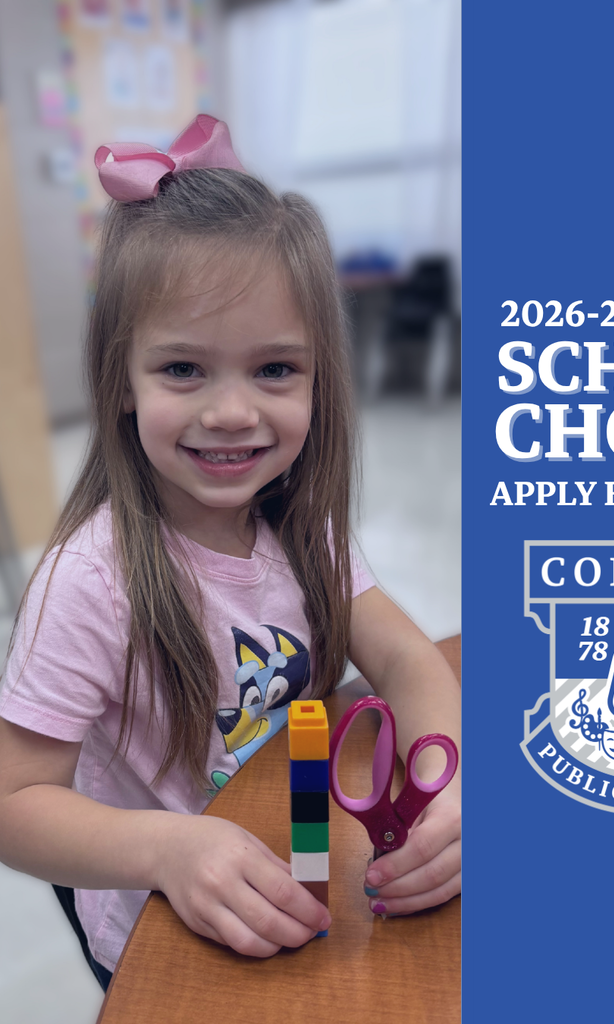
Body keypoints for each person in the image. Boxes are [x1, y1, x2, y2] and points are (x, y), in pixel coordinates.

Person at [0, 115, 460, 991]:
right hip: (174, 924)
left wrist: (447, 789)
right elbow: (14, 805)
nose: (232, 412)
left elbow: (406, 656)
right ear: (121, 385)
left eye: (275, 370)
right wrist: (170, 849)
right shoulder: (91, 581)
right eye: (182, 370)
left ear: (321, 376)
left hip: (310, 868)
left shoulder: (303, 527)